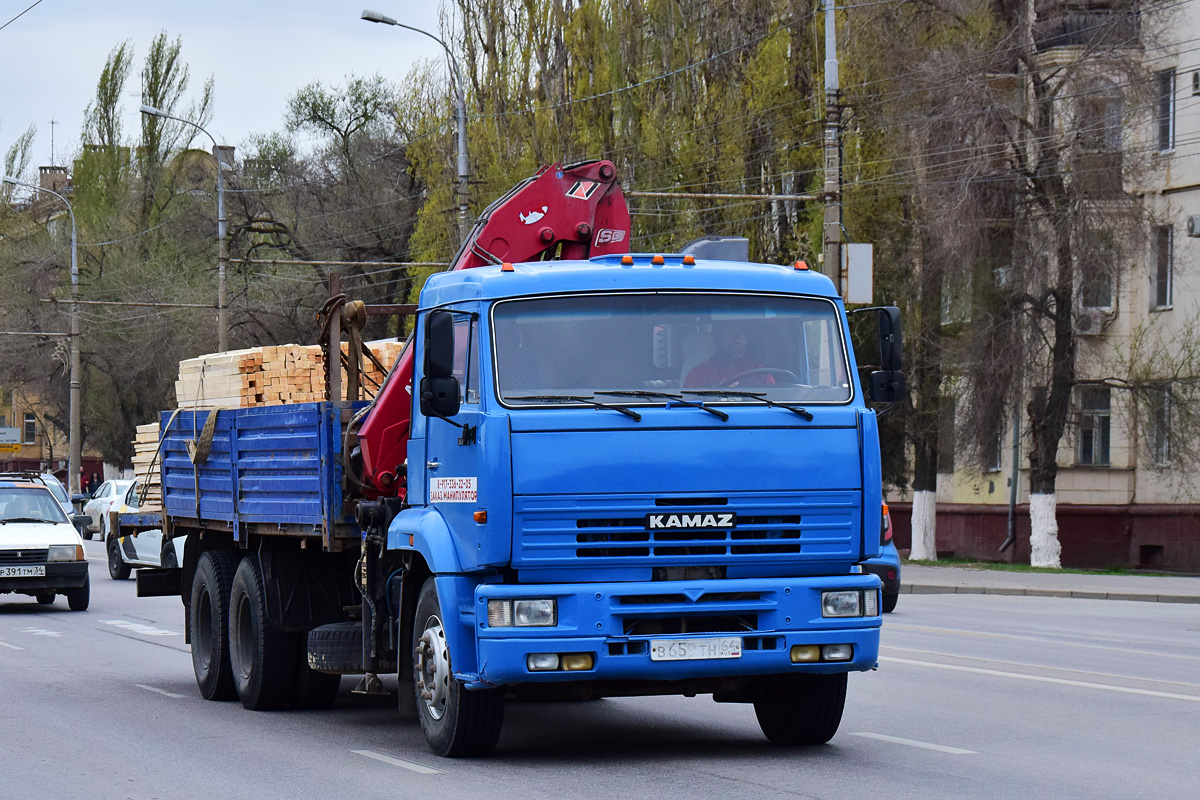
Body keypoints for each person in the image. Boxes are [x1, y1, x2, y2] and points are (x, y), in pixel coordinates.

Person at [684, 321, 774, 388]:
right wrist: (716, 394)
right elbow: (688, 407)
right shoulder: (699, 374)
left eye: (740, 334)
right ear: (716, 340)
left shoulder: (759, 371)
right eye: (730, 334)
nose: (737, 341)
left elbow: (773, 399)